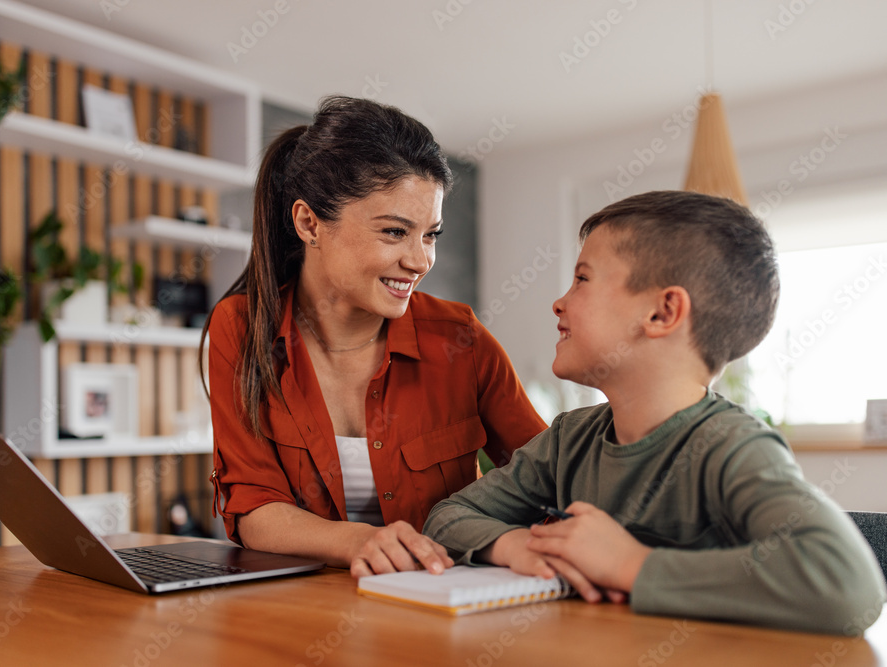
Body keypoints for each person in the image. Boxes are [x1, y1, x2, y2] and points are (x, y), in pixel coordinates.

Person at [423, 190, 887, 634]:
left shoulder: (731, 446)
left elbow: (850, 586)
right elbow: (447, 516)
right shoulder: (570, 438)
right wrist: (515, 545)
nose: (559, 301)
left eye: (582, 279)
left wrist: (629, 564)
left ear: (663, 313)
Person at [202, 96, 546, 577]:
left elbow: (545, 480)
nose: (421, 261)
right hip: (298, 615)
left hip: (437, 609)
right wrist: (359, 541)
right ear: (309, 223)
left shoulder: (462, 339)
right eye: (394, 232)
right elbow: (255, 509)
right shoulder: (241, 327)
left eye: (430, 235)